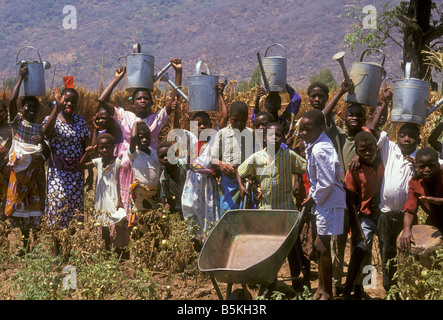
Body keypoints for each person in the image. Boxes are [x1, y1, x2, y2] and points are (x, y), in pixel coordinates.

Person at [98, 58, 182, 216]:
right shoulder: (124, 116)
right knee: (129, 208)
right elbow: (102, 100)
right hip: (128, 167)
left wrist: (178, 72)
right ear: (133, 102)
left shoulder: (156, 119)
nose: (143, 101)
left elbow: (173, 101)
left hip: (150, 169)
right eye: (139, 98)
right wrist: (117, 79)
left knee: (149, 209)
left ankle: (149, 238)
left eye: (146, 99)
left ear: (151, 102)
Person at [236, 122, 307, 291]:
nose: (274, 138)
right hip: (266, 212)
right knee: (269, 250)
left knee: (292, 249)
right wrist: (242, 187)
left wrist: (297, 181)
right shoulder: (257, 157)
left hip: (287, 211)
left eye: (278, 135)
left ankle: (297, 283)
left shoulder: (288, 155)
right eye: (270, 135)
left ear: (283, 138)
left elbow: (305, 167)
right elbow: (240, 171)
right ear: (264, 138)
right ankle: (270, 283)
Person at [368, 102, 422, 294]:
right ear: (396, 137)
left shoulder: (421, 159)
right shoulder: (389, 149)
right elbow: (372, 128)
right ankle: (389, 289)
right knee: (386, 251)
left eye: (411, 136)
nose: (406, 139)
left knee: (406, 254)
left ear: (418, 138)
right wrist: (384, 103)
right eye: (402, 135)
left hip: (407, 217)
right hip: (386, 215)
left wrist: (418, 169)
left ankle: (405, 289)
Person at [299, 109, 346, 300]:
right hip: (324, 201)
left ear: (320, 128)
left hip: (330, 202)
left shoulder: (320, 149)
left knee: (321, 246)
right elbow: (318, 180)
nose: (303, 133)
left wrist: (312, 198)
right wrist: (313, 196)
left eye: (307, 129)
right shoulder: (315, 143)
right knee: (320, 247)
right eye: (302, 129)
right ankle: (320, 288)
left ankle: (327, 291)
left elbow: (326, 183)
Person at [6, 64, 49, 255]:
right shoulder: (18, 122)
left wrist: (43, 143)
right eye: (27, 106)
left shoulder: (40, 128)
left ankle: (36, 247)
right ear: (22, 109)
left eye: (34, 107)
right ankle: (24, 246)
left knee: (36, 207)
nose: (31, 109)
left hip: (36, 172)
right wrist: (20, 78)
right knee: (21, 206)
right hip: (20, 171)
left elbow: (47, 154)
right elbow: (11, 100)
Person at [181, 81, 228, 240]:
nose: (201, 127)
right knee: (191, 210)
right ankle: (193, 246)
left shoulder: (214, 138)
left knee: (208, 214)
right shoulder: (191, 139)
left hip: (207, 184)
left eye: (204, 124)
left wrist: (220, 94)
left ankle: (207, 245)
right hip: (192, 183)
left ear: (210, 125)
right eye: (197, 124)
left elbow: (225, 116)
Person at [343, 131, 384, 299]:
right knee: (361, 250)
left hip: (383, 215)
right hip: (365, 216)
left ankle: (367, 286)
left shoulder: (384, 160)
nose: (367, 153)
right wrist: (357, 229)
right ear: (357, 152)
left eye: (371, 149)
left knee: (381, 252)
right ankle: (350, 288)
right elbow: (350, 201)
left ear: (377, 147)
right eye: (362, 151)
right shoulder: (354, 170)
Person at [78, 133, 126, 252]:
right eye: (101, 147)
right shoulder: (98, 161)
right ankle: (106, 248)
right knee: (103, 222)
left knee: (117, 222)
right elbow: (80, 167)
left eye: (107, 147)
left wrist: (120, 199)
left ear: (113, 148)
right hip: (101, 197)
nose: (104, 150)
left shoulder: (118, 162)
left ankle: (120, 249)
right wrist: (87, 154)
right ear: (98, 148)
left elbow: (120, 181)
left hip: (114, 196)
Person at [211, 101, 254, 216]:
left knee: (245, 212)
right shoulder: (222, 133)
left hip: (246, 179)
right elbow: (213, 158)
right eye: (235, 120)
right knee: (227, 211)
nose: (239, 123)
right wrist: (221, 164)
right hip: (228, 180)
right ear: (229, 117)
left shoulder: (251, 134)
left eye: (243, 120)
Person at [400, 147, 443, 252]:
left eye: (431, 166)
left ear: (438, 164)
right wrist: (406, 230)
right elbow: (410, 208)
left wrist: (439, 201)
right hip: (436, 222)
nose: (427, 169)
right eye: (422, 167)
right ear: (416, 168)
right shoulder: (414, 182)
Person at [128, 121, 161, 227]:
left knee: (154, 223)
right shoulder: (134, 154)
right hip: (140, 196)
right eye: (141, 137)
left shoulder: (155, 153)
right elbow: (132, 138)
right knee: (140, 223)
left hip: (154, 195)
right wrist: (136, 123)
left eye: (147, 137)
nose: (144, 140)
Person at [157, 141, 188, 215]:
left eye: (168, 155)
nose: (165, 158)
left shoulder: (185, 165)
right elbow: (170, 201)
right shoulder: (163, 179)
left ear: (175, 155)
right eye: (162, 157)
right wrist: (163, 212)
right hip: (182, 208)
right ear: (158, 159)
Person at [0, 101, 12, 222]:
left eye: (1, 111)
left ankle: (3, 235)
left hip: (5, 169)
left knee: (5, 202)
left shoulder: (10, 128)